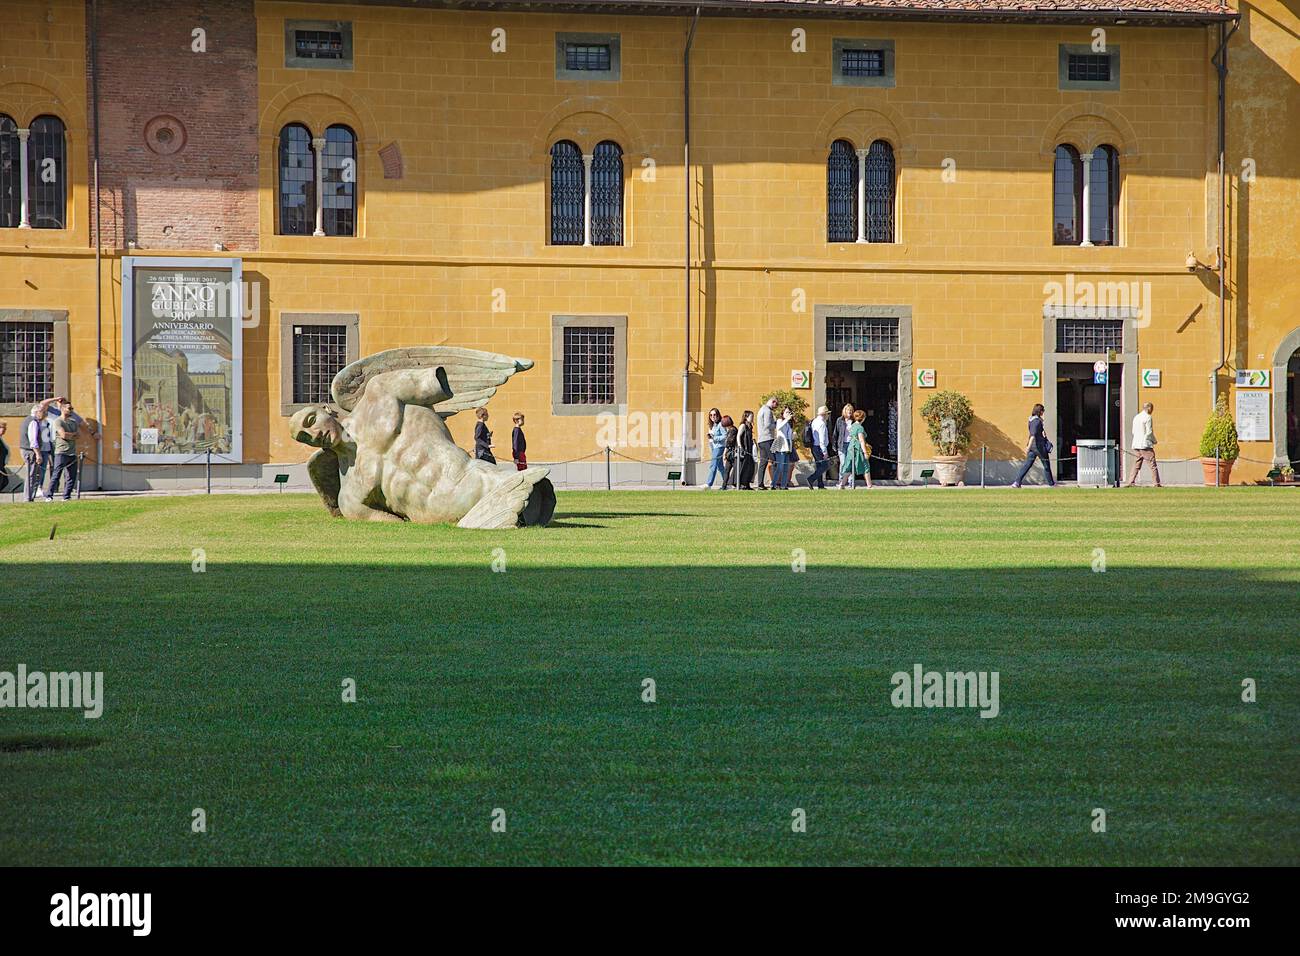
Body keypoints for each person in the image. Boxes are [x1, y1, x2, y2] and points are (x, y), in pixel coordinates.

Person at [48, 397, 90, 500]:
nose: (71, 410)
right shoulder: (58, 421)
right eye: (69, 408)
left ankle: (66, 496)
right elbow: (63, 435)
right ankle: (49, 495)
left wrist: (70, 435)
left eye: (72, 408)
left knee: (71, 476)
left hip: (72, 452)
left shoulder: (73, 422)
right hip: (61, 452)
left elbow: (78, 435)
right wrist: (72, 435)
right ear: (62, 409)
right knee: (56, 475)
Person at [20, 398, 56, 501]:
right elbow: (33, 440)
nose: (45, 414)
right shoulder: (33, 422)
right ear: (37, 412)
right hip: (30, 451)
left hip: (26, 449)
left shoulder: (27, 420)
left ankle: (30, 496)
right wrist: (38, 454)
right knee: (31, 475)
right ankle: (28, 498)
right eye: (43, 412)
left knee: (32, 474)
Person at [1012, 403, 1055, 487]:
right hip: (1039, 446)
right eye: (1043, 411)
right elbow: (1033, 435)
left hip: (1033, 447)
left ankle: (1017, 482)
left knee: (1027, 464)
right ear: (1040, 411)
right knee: (1046, 465)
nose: (1043, 413)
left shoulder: (1032, 420)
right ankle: (1051, 484)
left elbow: (1038, 432)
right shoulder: (1036, 422)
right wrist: (1028, 447)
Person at [1126, 402, 1161, 487]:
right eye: (1152, 408)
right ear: (1149, 408)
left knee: (1136, 464)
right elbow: (1149, 432)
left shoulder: (1136, 417)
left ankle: (1131, 481)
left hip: (1136, 444)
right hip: (1145, 444)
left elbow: (1133, 431)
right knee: (1152, 464)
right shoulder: (1148, 417)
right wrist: (1154, 440)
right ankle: (1156, 483)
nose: (1152, 410)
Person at [837, 409, 870, 489]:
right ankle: (869, 485)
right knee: (866, 465)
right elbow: (861, 440)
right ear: (863, 418)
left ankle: (842, 484)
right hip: (857, 448)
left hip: (850, 448)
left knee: (848, 467)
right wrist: (865, 452)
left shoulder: (853, 426)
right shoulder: (860, 428)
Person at [804, 405, 832, 489]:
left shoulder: (814, 421)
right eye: (827, 414)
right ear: (824, 414)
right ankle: (811, 479)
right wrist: (825, 452)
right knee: (824, 466)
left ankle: (820, 484)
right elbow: (822, 440)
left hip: (814, 446)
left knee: (819, 466)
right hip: (819, 447)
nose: (828, 416)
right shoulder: (822, 424)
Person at [755, 396, 778, 490]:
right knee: (775, 461)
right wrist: (777, 423)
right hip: (768, 439)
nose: (776, 407)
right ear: (773, 402)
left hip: (761, 440)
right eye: (776, 404)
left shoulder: (761, 409)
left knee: (763, 463)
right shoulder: (768, 411)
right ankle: (774, 483)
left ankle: (760, 484)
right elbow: (768, 425)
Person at [705, 407, 726, 489]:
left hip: (719, 447)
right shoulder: (713, 425)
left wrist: (715, 438)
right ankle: (727, 483)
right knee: (720, 467)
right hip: (714, 447)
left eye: (714, 415)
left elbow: (725, 436)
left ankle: (709, 484)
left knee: (713, 465)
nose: (712, 416)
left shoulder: (721, 424)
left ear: (718, 415)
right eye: (711, 415)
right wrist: (710, 437)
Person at [833, 403, 855, 483]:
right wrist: (834, 445)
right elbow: (836, 433)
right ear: (844, 411)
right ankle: (841, 481)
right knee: (843, 463)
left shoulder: (854, 421)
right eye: (848, 410)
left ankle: (851, 481)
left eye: (851, 410)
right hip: (841, 444)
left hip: (851, 444)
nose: (849, 412)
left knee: (850, 463)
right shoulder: (840, 420)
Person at [737, 410, 756, 490]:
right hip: (744, 449)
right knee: (744, 467)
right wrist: (740, 447)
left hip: (749, 450)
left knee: (750, 467)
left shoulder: (750, 426)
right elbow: (738, 436)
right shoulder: (743, 426)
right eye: (751, 417)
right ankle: (742, 484)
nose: (752, 418)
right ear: (746, 417)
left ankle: (747, 484)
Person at [721, 414, 738, 490]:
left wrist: (725, 451)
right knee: (727, 470)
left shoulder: (733, 430)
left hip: (732, 453)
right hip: (730, 453)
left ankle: (733, 485)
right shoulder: (730, 430)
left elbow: (730, 442)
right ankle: (724, 486)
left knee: (733, 470)